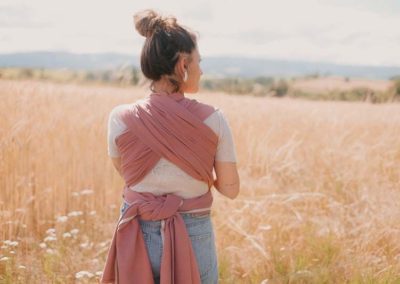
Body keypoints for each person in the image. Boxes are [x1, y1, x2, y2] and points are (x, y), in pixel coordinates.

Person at [101, 9, 240, 284]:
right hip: (193, 231)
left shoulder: (120, 118)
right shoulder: (214, 119)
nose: (201, 69)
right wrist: (197, 171)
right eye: (199, 61)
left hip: (136, 229)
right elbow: (231, 190)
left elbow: (127, 173)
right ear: (183, 64)